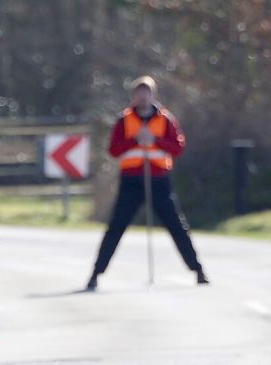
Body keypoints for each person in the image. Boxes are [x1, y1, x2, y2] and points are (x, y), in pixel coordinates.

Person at [86, 76, 208, 291]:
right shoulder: (124, 120)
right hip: (131, 181)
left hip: (158, 179)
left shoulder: (165, 119)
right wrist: (135, 140)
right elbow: (113, 150)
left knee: (177, 227)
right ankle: (96, 273)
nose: (143, 97)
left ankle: (197, 270)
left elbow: (177, 148)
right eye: (139, 93)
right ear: (134, 96)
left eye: (146, 92)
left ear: (153, 95)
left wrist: (154, 140)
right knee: (115, 228)